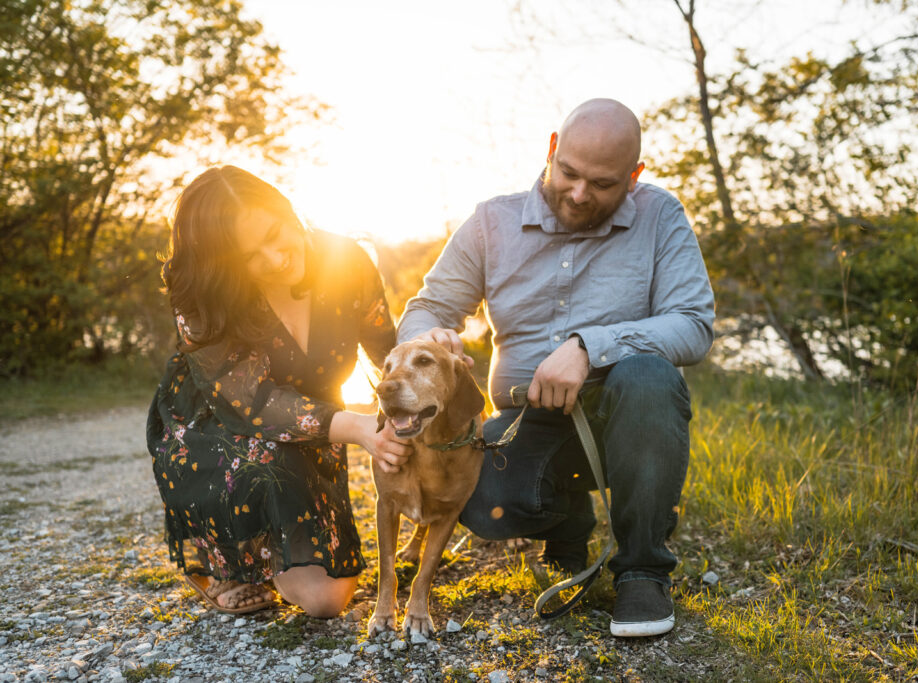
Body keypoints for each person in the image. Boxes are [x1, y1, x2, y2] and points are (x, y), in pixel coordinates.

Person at [398, 99, 715, 637]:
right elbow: (426, 308)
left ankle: (642, 569)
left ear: (634, 177)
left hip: (629, 417)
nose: (579, 193)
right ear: (551, 150)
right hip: (531, 422)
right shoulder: (489, 222)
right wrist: (429, 335)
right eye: (568, 172)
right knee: (480, 499)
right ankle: (567, 521)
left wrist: (589, 346)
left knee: (648, 376)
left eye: (604, 183)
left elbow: (693, 324)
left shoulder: (661, 216)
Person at [146, 166, 411, 617]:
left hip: (312, 426)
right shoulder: (202, 299)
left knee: (328, 598)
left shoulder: (345, 261)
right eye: (251, 255)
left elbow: (388, 346)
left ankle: (265, 554)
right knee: (316, 587)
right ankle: (227, 554)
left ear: (287, 210)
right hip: (220, 428)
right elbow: (253, 403)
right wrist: (358, 427)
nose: (275, 258)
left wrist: (432, 362)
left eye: (275, 234)